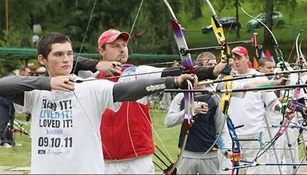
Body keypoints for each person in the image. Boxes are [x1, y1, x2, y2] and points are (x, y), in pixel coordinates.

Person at [0, 32, 201, 174]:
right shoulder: (34, 92)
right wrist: (48, 83)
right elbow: (4, 85)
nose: (66, 59)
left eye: (69, 54)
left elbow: (129, 89)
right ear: (42, 59)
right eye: (58, 54)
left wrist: (172, 81)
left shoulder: (90, 87)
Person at [94, 29, 227, 174]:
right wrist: (95, 65)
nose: (122, 50)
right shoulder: (90, 78)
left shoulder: (137, 72)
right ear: (101, 50)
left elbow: (170, 73)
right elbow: (73, 62)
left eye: (124, 45)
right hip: (103, 161)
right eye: (115, 46)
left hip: (138, 160)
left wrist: (212, 71)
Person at [218, 46, 285, 174]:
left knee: (256, 171)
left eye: (239, 58)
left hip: (255, 133)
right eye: (234, 59)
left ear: (247, 58)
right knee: (229, 171)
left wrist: (282, 109)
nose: (236, 61)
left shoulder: (259, 77)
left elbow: (272, 103)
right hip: (232, 136)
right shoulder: (228, 79)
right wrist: (276, 83)